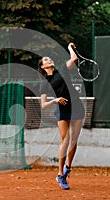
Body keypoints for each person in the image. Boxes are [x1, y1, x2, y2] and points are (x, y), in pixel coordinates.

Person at [38, 43, 85, 190]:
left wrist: (70, 47)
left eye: (49, 59)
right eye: (46, 60)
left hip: (77, 106)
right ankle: (60, 174)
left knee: (74, 140)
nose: (49, 60)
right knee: (65, 140)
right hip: (62, 108)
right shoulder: (45, 83)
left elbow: (74, 59)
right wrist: (55, 100)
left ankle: (67, 168)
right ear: (42, 67)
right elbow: (43, 105)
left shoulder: (62, 70)